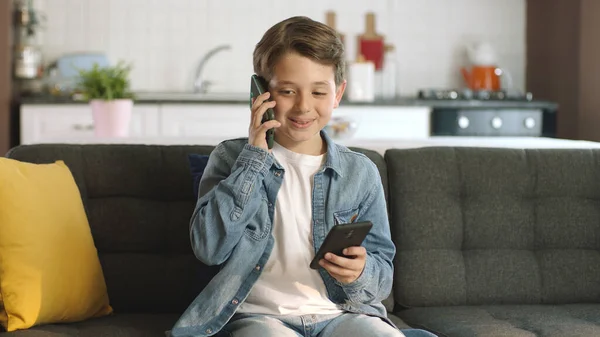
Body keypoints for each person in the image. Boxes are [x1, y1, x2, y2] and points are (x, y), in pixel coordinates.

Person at [170, 16, 437, 337]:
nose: (303, 107)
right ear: (260, 93)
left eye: (319, 92)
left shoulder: (360, 172)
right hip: (258, 318)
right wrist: (255, 157)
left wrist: (360, 272)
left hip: (342, 315)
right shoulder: (229, 157)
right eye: (287, 90)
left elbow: (381, 279)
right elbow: (209, 248)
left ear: (338, 94)